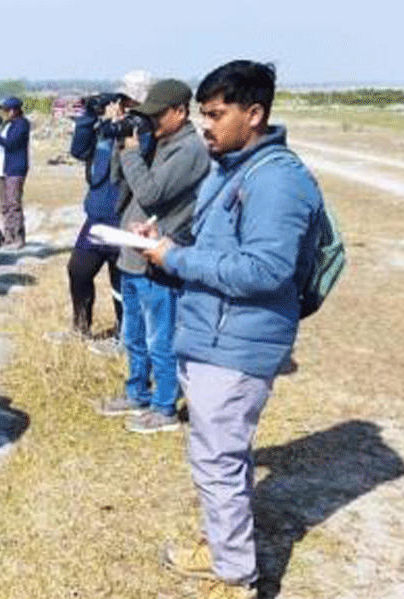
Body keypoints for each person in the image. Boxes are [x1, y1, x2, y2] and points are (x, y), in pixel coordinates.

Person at [139, 61, 323, 599]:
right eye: (203, 115)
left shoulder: (277, 180)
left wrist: (175, 260)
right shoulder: (232, 167)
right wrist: (161, 240)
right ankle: (223, 550)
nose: (206, 126)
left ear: (256, 113)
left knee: (218, 460)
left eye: (217, 115)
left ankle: (236, 577)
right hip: (213, 335)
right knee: (219, 456)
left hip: (238, 344)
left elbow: (267, 270)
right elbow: (215, 245)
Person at [100, 79, 210, 434]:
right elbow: (119, 181)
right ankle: (137, 393)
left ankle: (164, 406)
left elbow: (149, 194)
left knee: (160, 338)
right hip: (133, 254)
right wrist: (123, 143)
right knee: (133, 333)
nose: (152, 123)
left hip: (159, 258)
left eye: (157, 116)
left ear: (180, 111)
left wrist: (132, 151)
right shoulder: (159, 142)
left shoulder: (190, 150)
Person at [46, 70, 153, 353]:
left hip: (125, 217)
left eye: (129, 98)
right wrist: (89, 117)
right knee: (78, 271)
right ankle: (81, 329)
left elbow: (138, 162)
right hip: (96, 216)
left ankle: (125, 336)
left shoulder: (146, 129)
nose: (123, 102)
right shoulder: (108, 128)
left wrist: (126, 128)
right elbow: (79, 151)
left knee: (121, 281)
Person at [0, 96, 30, 248]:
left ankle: (18, 237)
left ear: (14, 110)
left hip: (15, 168)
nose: (5, 113)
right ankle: (8, 235)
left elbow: (11, 144)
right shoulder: (7, 124)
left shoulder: (22, 124)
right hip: (1, 168)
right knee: (4, 205)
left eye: (7, 110)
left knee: (14, 203)